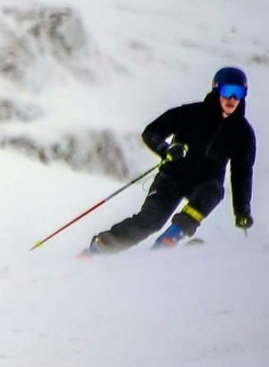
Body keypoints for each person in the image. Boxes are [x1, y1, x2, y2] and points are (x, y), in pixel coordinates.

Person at [84, 67, 255, 255]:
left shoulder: (243, 134)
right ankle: (101, 247)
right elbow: (151, 132)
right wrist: (166, 150)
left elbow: (242, 173)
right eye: (227, 91)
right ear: (216, 89)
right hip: (172, 177)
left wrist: (242, 211)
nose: (232, 99)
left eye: (238, 93)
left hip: (205, 183)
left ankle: (171, 238)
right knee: (150, 221)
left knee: (214, 190)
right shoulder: (191, 113)